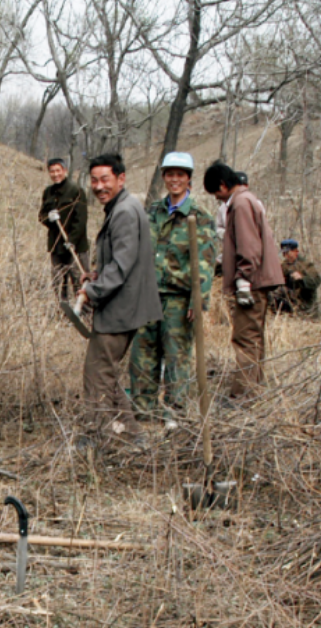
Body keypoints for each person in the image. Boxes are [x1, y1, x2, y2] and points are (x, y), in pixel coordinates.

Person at [74, 152, 162, 446]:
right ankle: (135, 437)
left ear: (121, 179)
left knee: (97, 373)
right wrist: (98, 275)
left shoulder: (124, 211)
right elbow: (121, 261)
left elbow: (123, 266)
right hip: (124, 304)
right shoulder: (121, 208)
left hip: (120, 308)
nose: (99, 186)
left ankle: (95, 438)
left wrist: (91, 291)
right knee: (106, 374)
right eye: (94, 180)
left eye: (105, 180)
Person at [129, 151, 217, 429]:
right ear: (164, 177)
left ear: (189, 179)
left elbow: (204, 263)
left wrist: (198, 300)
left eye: (180, 175)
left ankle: (175, 417)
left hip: (179, 300)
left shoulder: (199, 217)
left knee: (177, 357)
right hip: (148, 297)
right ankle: (144, 415)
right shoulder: (152, 212)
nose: (174, 180)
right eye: (170, 174)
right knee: (143, 356)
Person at [203, 161, 282, 400]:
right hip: (258, 280)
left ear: (223, 185)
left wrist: (243, 280)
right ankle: (255, 389)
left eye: (216, 193)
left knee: (245, 337)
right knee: (254, 336)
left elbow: (248, 246)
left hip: (252, 282)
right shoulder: (248, 200)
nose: (218, 198)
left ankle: (243, 395)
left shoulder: (239, 203)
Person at [38, 157, 89, 302]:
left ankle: (84, 313)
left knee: (79, 281)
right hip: (56, 246)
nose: (55, 174)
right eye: (52, 171)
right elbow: (41, 216)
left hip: (75, 246)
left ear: (65, 171)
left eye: (58, 171)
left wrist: (72, 240)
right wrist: (49, 217)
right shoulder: (48, 192)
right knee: (58, 282)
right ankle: (61, 311)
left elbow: (81, 220)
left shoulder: (76, 191)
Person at [276, 238, 321, 316]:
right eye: (284, 253)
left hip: (307, 308)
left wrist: (302, 278)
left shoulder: (306, 265)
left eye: (288, 253)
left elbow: (316, 281)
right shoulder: (284, 266)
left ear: (296, 251)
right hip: (289, 307)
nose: (286, 256)